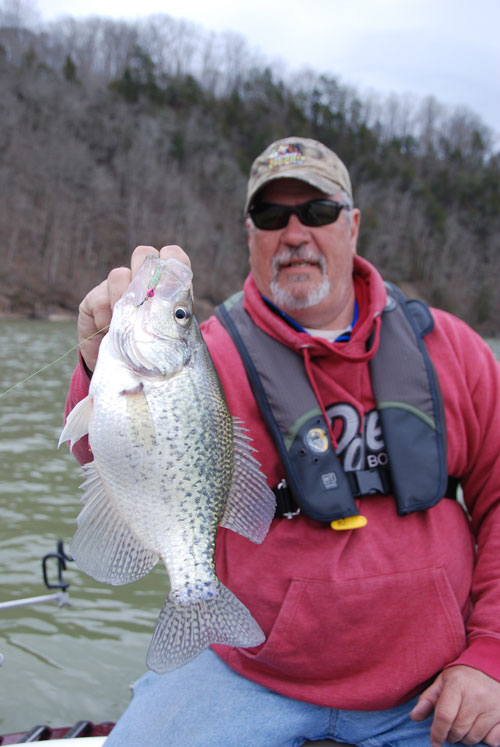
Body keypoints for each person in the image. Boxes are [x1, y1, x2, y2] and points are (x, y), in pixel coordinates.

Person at [65, 137, 500, 747]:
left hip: (432, 687)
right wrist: (94, 363)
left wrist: (491, 656)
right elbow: (100, 452)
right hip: (249, 670)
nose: (294, 232)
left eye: (316, 211)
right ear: (251, 235)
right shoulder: (207, 356)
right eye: (272, 216)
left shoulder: (454, 350)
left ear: (353, 225)